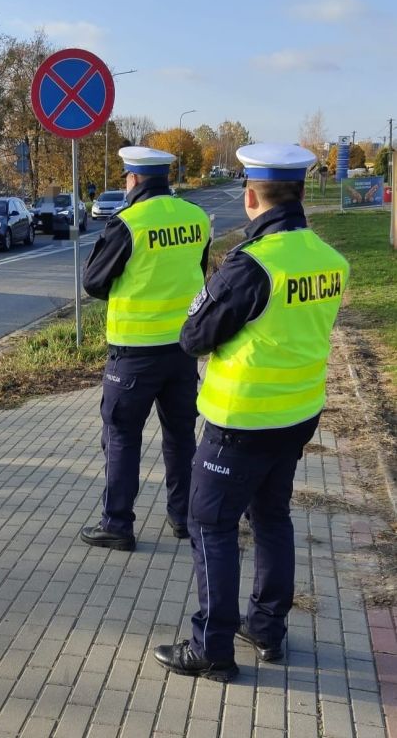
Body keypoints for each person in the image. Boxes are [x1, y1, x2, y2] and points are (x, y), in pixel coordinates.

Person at [154, 143, 350, 682]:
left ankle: (212, 648)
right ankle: (266, 629)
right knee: (271, 517)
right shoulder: (330, 260)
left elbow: (194, 336)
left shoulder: (251, 264)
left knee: (210, 526)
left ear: (250, 196)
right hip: (297, 415)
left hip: (239, 421)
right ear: (301, 192)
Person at [80, 146, 211, 552]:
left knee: (121, 436)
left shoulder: (127, 224)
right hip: (182, 349)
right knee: (180, 436)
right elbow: (200, 269)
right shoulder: (196, 218)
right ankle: (184, 517)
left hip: (133, 353)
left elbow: (93, 282)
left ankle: (117, 524)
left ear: (133, 179)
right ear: (165, 178)